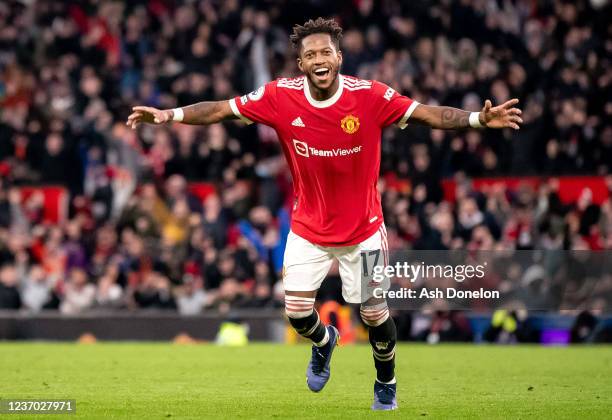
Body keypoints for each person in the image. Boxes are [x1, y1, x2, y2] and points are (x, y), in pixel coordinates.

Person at [126, 17, 522, 411]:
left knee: (373, 313)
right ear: (300, 63)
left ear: (339, 57)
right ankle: (323, 341)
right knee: (296, 314)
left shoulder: (369, 96)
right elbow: (221, 110)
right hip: (308, 230)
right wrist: (169, 115)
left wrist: (477, 119)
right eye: (310, 53)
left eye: (326, 52)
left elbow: (429, 115)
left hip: (364, 231)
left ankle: (386, 380)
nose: (319, 59)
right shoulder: (279, 97)